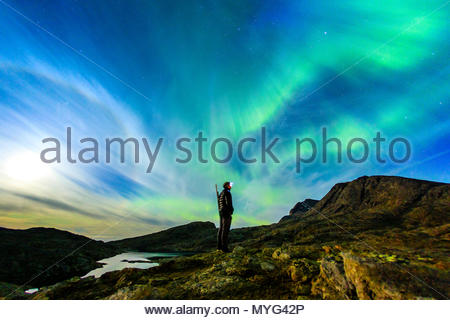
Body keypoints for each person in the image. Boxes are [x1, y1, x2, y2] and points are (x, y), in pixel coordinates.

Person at [217, 181, 234, 252]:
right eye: (230, 185)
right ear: (227, 185)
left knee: (221, 229)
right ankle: (224, 248)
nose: (231, 186)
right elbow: (228, 203)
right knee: (225, 230)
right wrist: (231, 210)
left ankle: (219, 247)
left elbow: (220, 202)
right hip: (226, 212)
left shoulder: (221, 193)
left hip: (221, 212)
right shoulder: (227, 193)